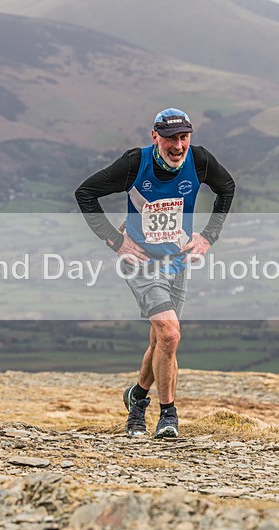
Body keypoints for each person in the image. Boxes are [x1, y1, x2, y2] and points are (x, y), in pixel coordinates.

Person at [75, 108, 235, 438]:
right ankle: (167, 414)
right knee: (171, 334)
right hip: (141, 262)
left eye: (184, 137)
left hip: (177, 261)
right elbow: (85, 193)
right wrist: (116, 241)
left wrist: (208, 236)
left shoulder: (200, 161)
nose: (178, 146)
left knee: (161, 341)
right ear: (155, 137)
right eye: (170, 138)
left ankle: (136, 398)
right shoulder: (135, 164)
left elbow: (227, 187)